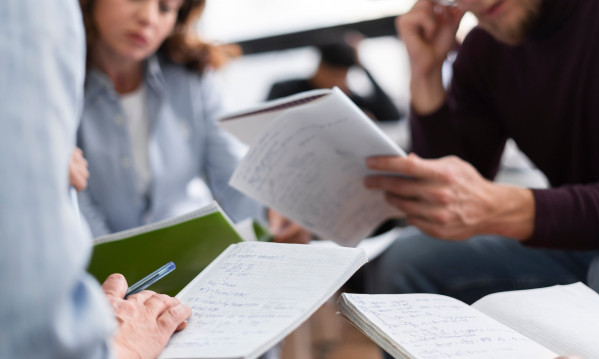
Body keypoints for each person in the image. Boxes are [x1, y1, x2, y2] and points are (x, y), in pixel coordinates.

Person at [364, 0, 599, 311]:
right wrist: (426, 76)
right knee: (404, 263)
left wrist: (504, 208)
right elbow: (451, 195)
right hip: (583, 238)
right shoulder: (484, 50)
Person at [0, 0, 191, 357]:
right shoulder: (35, 18)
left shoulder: (188, 80)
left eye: (166, 7)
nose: (148, 17)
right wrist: (125, 346)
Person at [77, 0, 309, 244]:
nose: (149, 18)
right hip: (111, 272)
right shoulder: (58, 87)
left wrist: (271, 216)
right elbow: (75, 205)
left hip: (197, 255)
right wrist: (118, 270)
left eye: (165, 8)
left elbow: (232, 172)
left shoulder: (193, 77)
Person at [267, 35, 402, 122]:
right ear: (320, 67)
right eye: (334, 75)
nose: (339, 82)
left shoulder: (346, 98)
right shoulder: (284, 90)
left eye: (344, 76)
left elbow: (392, 115)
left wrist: (363, 66)